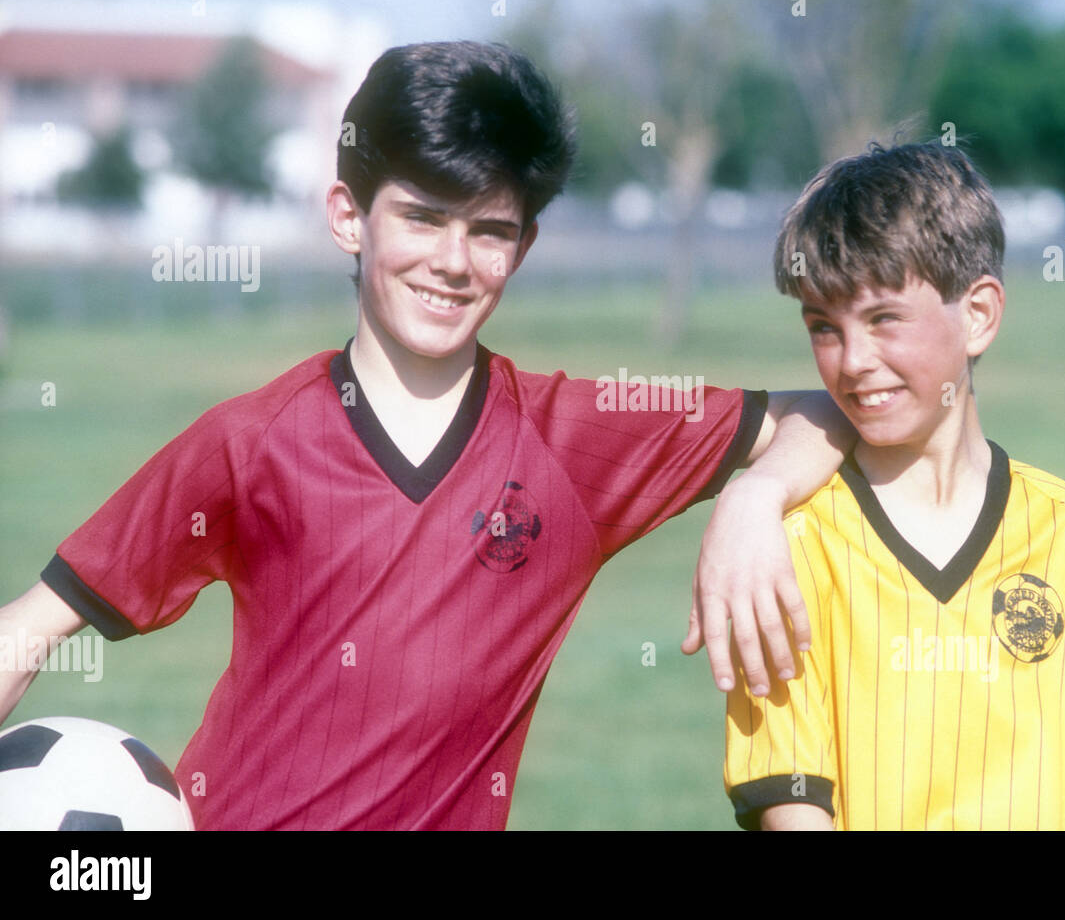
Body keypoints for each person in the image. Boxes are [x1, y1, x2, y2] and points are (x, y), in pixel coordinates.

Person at [0, 41, 850, 829]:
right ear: (348, 215)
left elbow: (827, 409)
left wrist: (754, 495)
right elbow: (25, 630)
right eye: (422, 217)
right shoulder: (250, 442)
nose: (453, 260)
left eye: (490, 230)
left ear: (523, 247)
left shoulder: (572, 440)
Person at [723, 142, 1065, 830]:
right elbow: (791, 808)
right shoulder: (786, 550)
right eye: (824, 328)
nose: (854, 361)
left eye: (884, 318)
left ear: (977, 314)